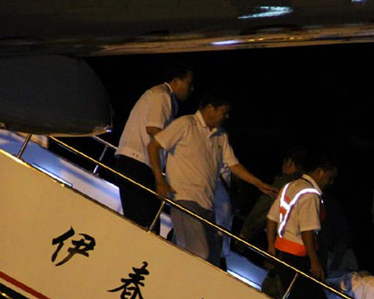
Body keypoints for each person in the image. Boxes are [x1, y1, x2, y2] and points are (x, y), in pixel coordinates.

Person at [148, 93, 276, 266]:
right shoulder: (186, 123)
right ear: (210, 108)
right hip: (184, 198)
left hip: (208, 206)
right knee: (200, 253)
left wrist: (258, 184)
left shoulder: (221, 135)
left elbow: (233, 165)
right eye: (224, 112)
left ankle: (168, 274)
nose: (226, 117)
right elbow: (154, 146)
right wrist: (160, 181)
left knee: (212, 260)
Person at [114, 66, 194, 229]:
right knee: (144, 225)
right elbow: (154, 130)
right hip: (137, 163)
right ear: (176, 80)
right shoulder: (162, 95)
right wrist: (178, 152)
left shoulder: (165, 97)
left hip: (138, 164)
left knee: (146, 224)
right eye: (189, 83)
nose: (191, 89)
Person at [266, 152, 337, 299]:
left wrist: (271, 246)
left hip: (282, 252)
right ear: (320, 172)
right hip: (299, 258)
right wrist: (314, 262)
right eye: (329, 178)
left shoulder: (289, 186)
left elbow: (272, 218)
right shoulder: (310, 195)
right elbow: (307, 231)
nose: (330, 183)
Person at [239, 147, 306, 247]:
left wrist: (245, 233)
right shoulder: (306, 188)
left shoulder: (282, 185)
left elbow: (261, 209)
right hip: (296, 244)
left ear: (290, 163)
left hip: (274, 240)